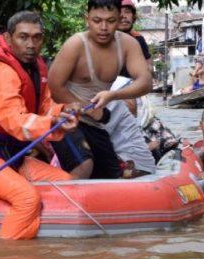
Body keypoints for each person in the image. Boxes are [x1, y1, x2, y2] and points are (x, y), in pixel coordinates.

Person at [0, 11, 79, 240]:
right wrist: (52, 121)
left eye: (37, 37)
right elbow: (14, 120)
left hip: (8, 158)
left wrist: (63, 111)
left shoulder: (36, 68)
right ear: (8, 39)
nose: (31, 44)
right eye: (23, 37)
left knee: (66, 183)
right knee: (27, 199)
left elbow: (45, 108)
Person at [48, 0, 153, 179]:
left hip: (96, 121)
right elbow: (54, 86)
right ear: (86, 19)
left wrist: (113, 95)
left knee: (110, 177)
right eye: (97, 21)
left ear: (119, 20)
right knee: (84, 165)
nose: (103, 27)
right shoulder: (75, 44)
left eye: (111, 21)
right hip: (67, 118)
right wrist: (87, 109)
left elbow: (145, 82)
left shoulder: (128, 44)